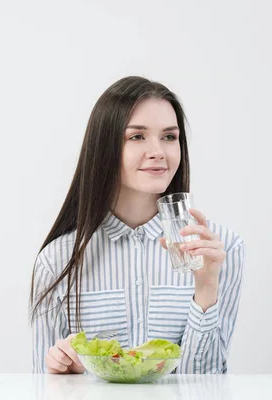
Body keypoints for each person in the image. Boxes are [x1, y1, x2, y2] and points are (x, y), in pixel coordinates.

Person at [29, 76, 245, 374]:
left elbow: (207, 384)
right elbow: (43, 386)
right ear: (104, 148)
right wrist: (62, 373)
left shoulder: (221, 249)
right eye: (137, 136)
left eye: (169, 137)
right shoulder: (57, 261)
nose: (158, 151)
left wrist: (206, 287)